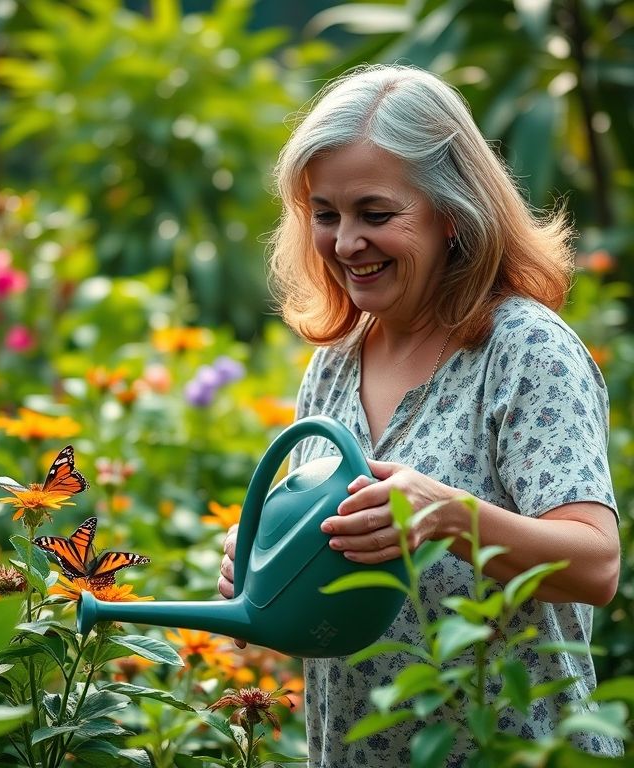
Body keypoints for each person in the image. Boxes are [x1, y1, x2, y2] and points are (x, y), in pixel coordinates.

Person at [216, 64, 622, 766]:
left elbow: (596, 563)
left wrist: (445, 516)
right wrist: (267, 578)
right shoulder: (337, 363)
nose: (346, 244)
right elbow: (343, 602)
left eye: (376, 214)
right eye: (325, 214)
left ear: (452, 215)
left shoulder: (524, 350)